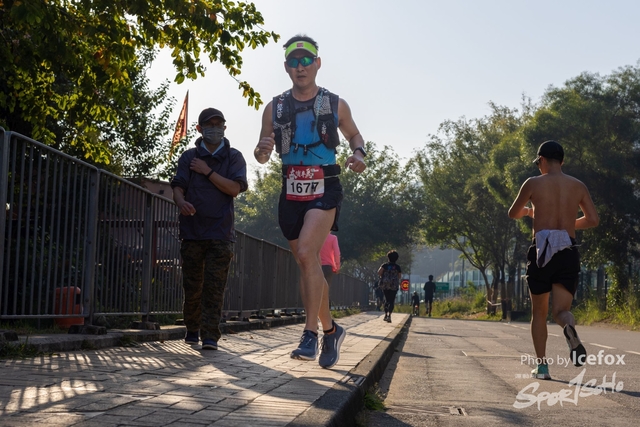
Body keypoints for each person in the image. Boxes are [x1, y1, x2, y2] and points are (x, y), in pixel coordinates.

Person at [253, 35, 366, 369]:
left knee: (305, 253)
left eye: (306, 60)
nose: (300, 67)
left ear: (317, 63)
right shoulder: (274, 107)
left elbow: (354, 135)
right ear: (286, 67)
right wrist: (261, 151)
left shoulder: (335, 104)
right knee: (308, 264)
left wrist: (359, 154)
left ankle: (309, 334)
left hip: (325, 185)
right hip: (290, 188)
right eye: (294, 61)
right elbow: (261, 153)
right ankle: (331, 330)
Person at [508, 140, 599, 380]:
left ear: (542, 160)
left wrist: (529, 211)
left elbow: (513, 213)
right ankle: (569, 327)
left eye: (538, 162)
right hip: (567, 249)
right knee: (561, 311)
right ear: (562, 161)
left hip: (542, 249)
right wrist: (568, 224)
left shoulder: (533, 183)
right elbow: (592, 219)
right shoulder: (577, 185)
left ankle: (542, 367)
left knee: (539, 312)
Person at [171, 107, 248, 350]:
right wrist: (181, 202)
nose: (214, 129)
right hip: (192, 231)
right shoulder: (188, 157)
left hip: (221, 233)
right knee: (192, 286)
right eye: (209, 125)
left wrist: (207, 171)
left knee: (214, 288)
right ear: (199, 129)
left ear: (224, 127)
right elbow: (178, 187)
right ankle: (192, 328)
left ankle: (210, 336)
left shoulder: (234, 157)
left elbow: (234, 189)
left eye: (218, 124)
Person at [378, 250, 402, 323]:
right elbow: (399, 276)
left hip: (385, 285)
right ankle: (389, 315)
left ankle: (385, 314)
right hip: (394, 285)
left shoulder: (384, 265)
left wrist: (383, 276)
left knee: (386, 299)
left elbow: (379, 272)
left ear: (388, 257)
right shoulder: (397, 267)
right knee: (392, 300)